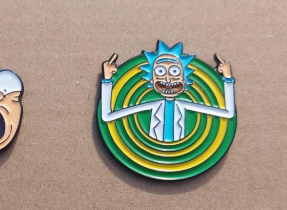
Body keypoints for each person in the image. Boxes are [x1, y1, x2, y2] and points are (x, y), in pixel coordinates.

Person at [100, 41, 236, 142]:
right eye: (160, 71)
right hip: (150, 155)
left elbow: (228, 113)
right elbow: (106, 117)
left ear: (184, 79)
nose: (168, 78)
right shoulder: (153, 106)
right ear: (152, 80)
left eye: (174, 71)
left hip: (184, 157)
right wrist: (107, 80)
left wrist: (228, 78)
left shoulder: (184, 105)